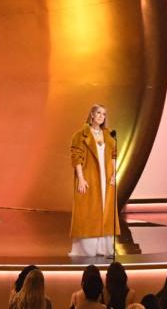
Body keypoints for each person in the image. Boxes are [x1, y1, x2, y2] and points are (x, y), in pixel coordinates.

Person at [69, 104, 119, 257]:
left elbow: (114, 155)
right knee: (89, 210)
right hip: (89, 176)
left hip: (106, 178)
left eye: (103, 114)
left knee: (105, 209)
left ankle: (104, 248)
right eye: (98, 113)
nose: (101, 116)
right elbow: (76, 157)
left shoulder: (108, 134)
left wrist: (113, 174)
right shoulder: (81, 135)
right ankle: (88, 250)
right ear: (92, 114)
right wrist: (81, 178)